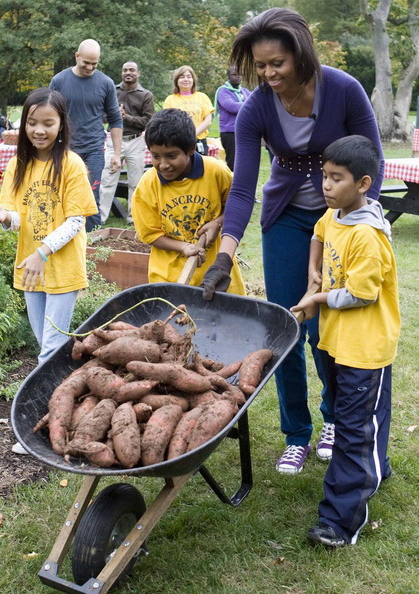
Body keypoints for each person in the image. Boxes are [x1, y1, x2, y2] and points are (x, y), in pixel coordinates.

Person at [201, 7, 385, 475]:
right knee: (285, 328)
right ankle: (295, 433)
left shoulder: (343, 89)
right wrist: (224, 257)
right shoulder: (257, 107)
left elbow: (373, 167)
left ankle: (332, 421)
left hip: (339, 221)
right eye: (259, 66)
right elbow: (242, 189)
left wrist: (355, 226)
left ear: (299, 54)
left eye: (276, 64)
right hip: (285, 220)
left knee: (328, 325)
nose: (268, 74)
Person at [290, 135, 400, 546]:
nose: (326, 185)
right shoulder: (336, 214)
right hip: (340, 343)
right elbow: (318, 233)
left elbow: (362, 294)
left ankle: (339, 521)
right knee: (364, 412)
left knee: (353, 427)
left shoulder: (368, 236)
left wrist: (316, 299)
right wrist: (313, 273)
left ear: (364, 184)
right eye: (325, 176)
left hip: (364, 347)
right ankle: (377, 466)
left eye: (337, 179)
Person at [0, 87, 97, 454]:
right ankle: (79, 402)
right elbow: (23, 218)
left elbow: (75, 221)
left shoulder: (72, 165)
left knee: (49, 350)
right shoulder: (19, 166)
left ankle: (39, 429)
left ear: (62, 125)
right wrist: (5, 218)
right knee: (48, 347)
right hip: (32, 270)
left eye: (48, 123)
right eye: (32, 122)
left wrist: (43, 252)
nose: (39, 130)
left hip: (59, 268)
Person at [131, 108, 245, 293]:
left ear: (191, 149)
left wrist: (217, 222)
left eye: (171, 156)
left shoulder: (216, 172)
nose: (163, 165)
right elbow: (150, 234)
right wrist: (183, 247)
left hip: (216, 274)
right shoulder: (148, 185)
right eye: (156, 156)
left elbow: (237, 205)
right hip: (169, 277)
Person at [50, 39, 123, 231]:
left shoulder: (106, 83)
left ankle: (92, 244)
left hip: (94, 149)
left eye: (94, 64)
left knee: (91, 195)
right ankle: (60, 237)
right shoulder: (59, 81)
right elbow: (49, 116)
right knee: (62, 194)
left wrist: (116, 153)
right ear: (77, 56)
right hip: (65, 148)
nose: (90, 67)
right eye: (86, 63)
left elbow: (115, 119)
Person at [99, 61, 155, 224]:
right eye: (125, 70)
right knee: (107, 180)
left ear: (138, 73)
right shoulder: (113, 91)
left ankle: (133, 217)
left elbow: (149, 121)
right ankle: (101, 217)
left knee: (135, 182)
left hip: (135, 141)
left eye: (132, 70)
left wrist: (126, 117)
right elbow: (101, 115)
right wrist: (114, 115)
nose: (128, 73)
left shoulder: (145, 95)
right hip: (114, 141)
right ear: (121, 73)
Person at [163, 65, 214, 156]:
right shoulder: (170, 100)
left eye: (189, 76)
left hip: (199, 142)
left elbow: (208, 120)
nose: (186, 79)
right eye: (182, 77)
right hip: (179, 143)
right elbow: (168, 122)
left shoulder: (202, 97)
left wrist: (193, 134)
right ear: (176, 81)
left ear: (193, 80)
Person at [214, 66, 251, 171]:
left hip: (245, 131)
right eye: (234, 74)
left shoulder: (244, 91)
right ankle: (231, 185)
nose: (238, 76)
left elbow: (256, 102)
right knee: (233, 163)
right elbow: (232, 106)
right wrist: (249, 105)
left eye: (240, 74)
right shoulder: (223, 91)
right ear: (228, 76)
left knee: (246, 162)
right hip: (230, 133)